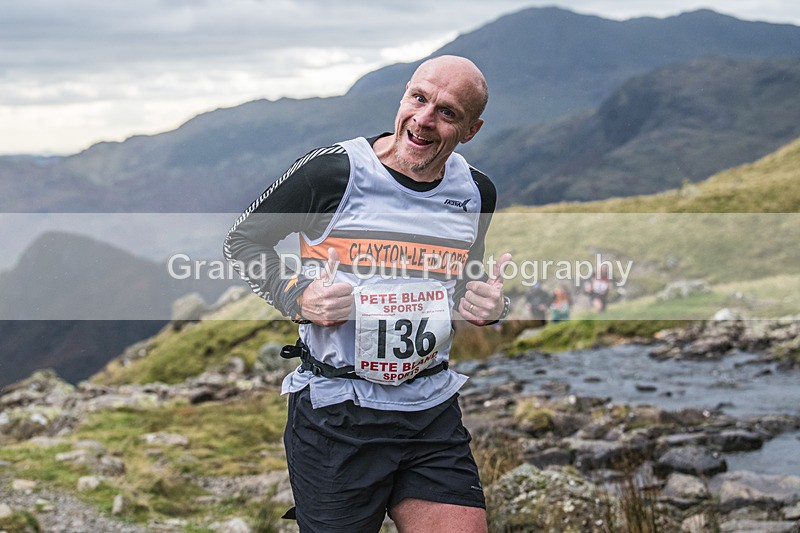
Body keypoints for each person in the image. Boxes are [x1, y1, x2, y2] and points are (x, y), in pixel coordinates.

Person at [224, 55, 510, 532]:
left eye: (448, 113)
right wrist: (297, 295)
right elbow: (242, 242)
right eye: (419, 99)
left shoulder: (477, 192)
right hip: (338, 416)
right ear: (404, 95)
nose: (424, 119)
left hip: (430, 410)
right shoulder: (333, 172)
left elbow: (461, 278)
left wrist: (489, 305)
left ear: (471, 130)